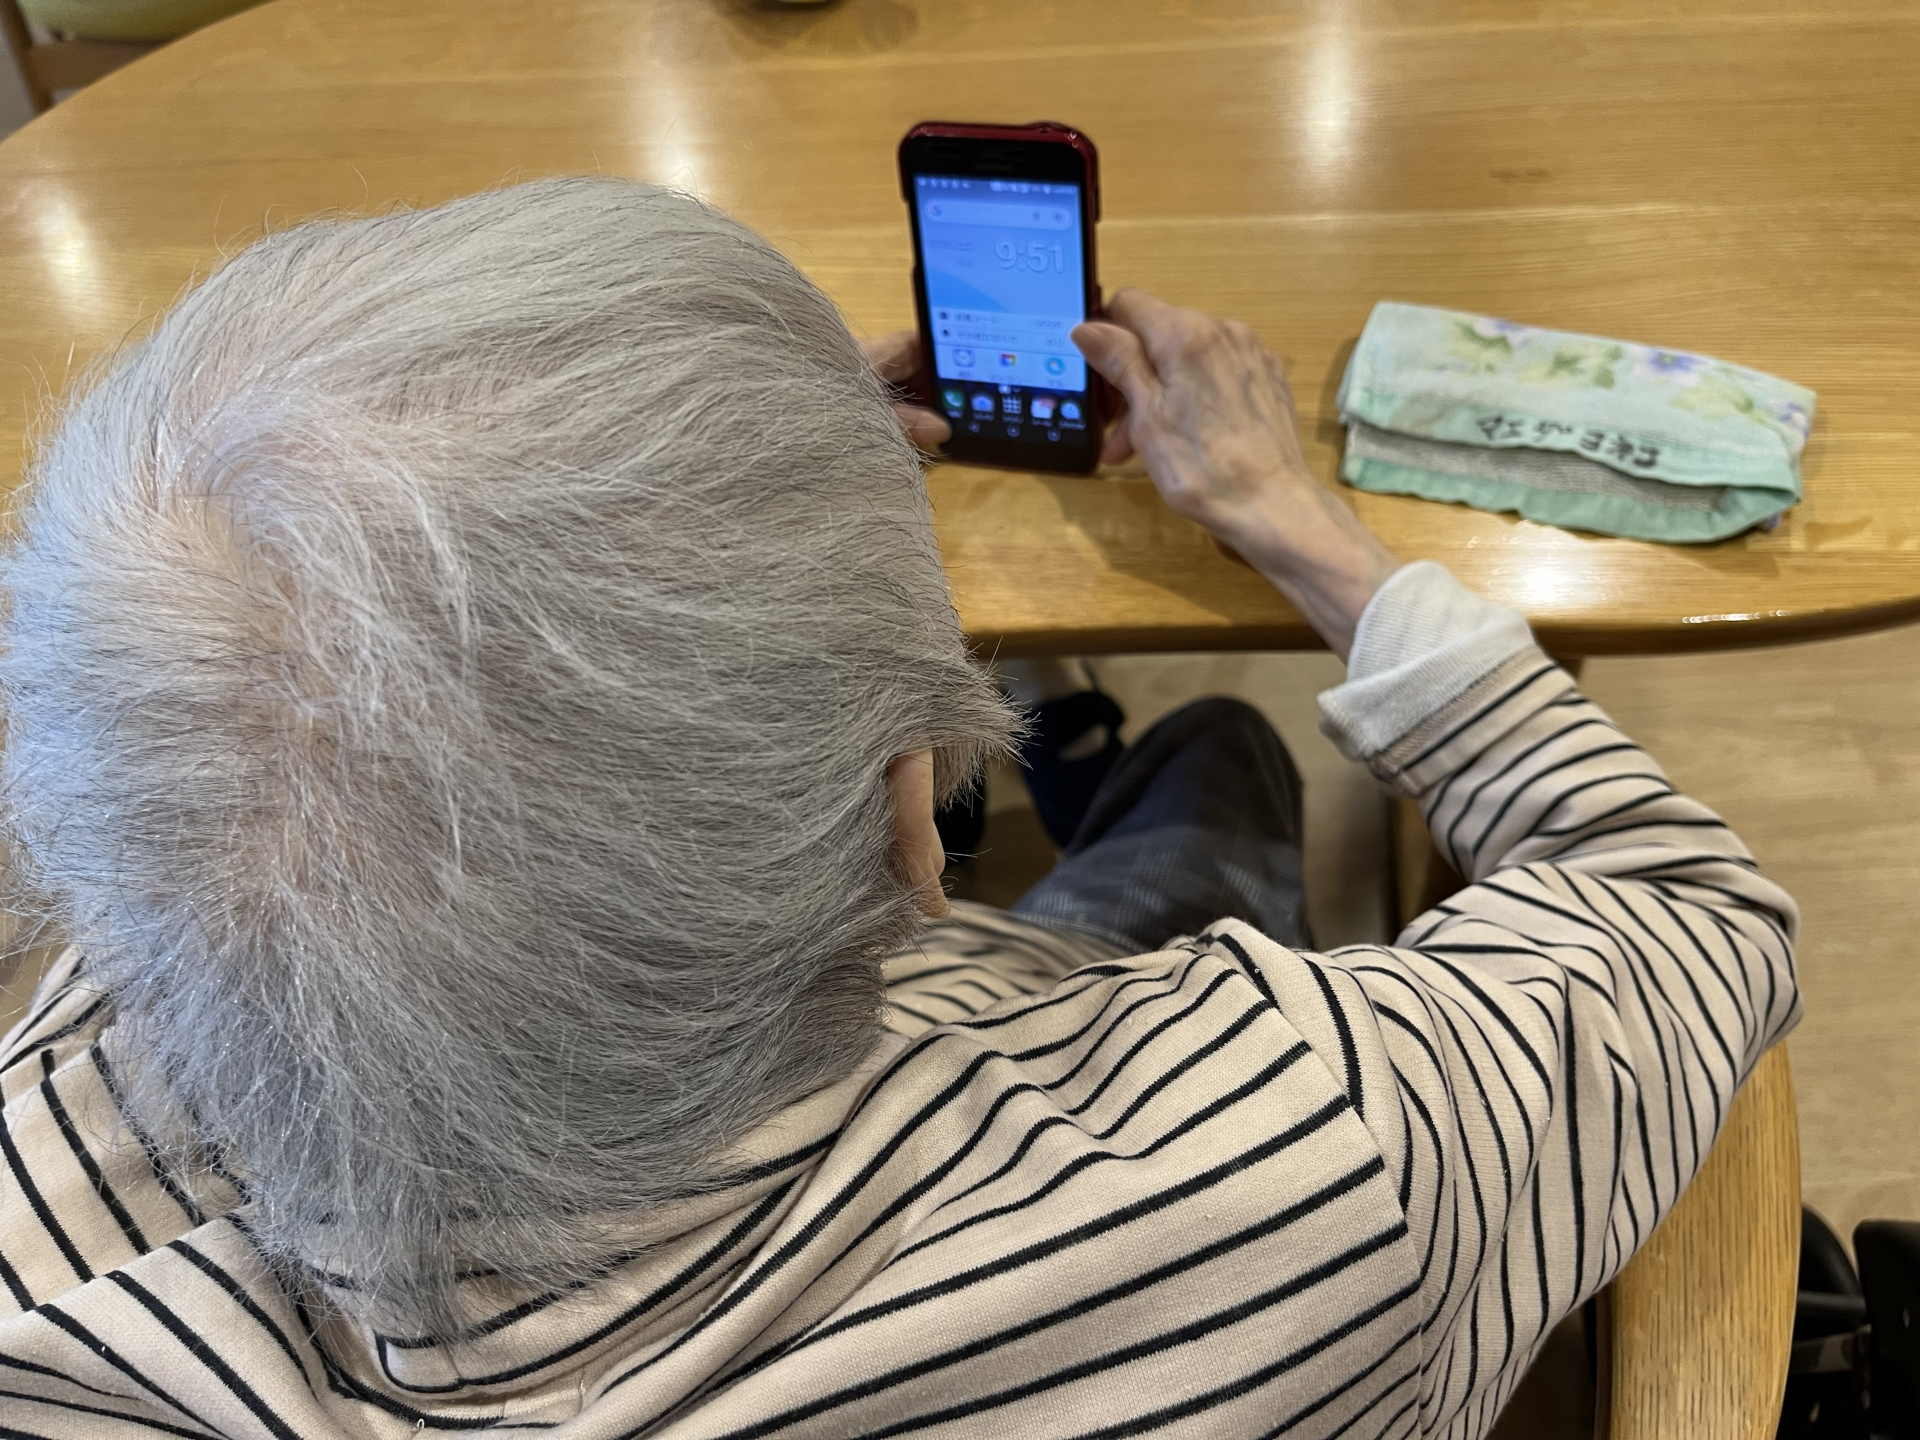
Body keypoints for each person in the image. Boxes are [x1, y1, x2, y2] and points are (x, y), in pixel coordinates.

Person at [0, 178, 1797, 1439]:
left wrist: (722, 517)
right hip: (1032, 1073)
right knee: (1223, 758)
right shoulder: (1306, 1156)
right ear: (911, 821)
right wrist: (1294, 519)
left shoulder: (51, 1247)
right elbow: (1691, 906)